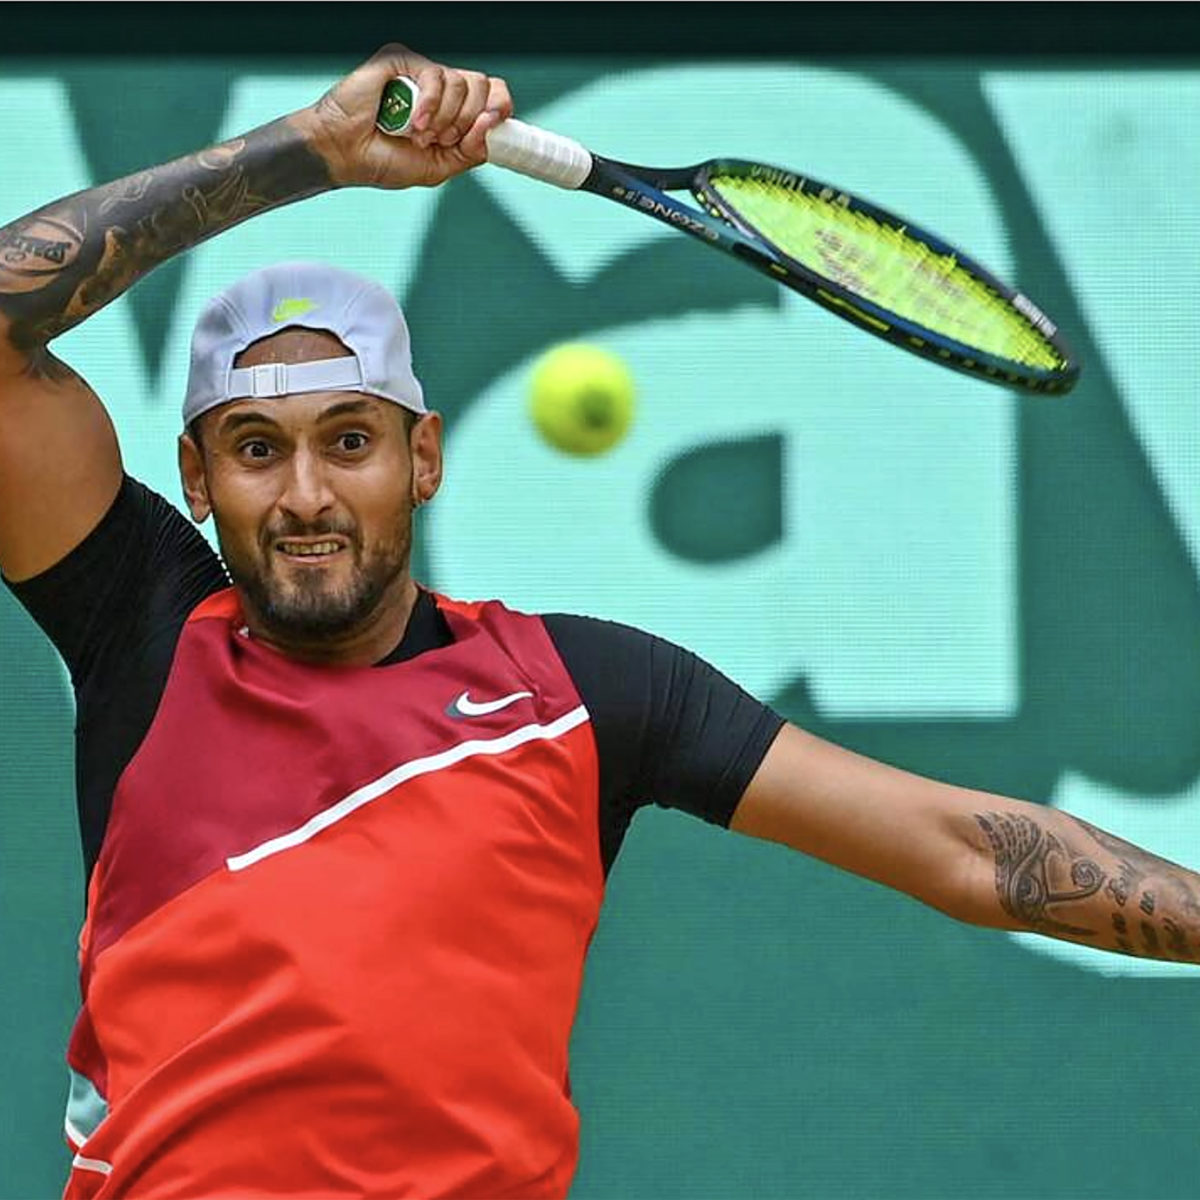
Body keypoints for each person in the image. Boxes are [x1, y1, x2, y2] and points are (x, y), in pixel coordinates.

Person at [1, 41, 1197, 1200]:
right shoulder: (146, 629)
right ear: (198, 478)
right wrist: (314, 145)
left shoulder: (577, 691)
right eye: (258, 450)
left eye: (350, 441)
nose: (307, 494)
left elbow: (966, 850)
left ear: (424, 459)